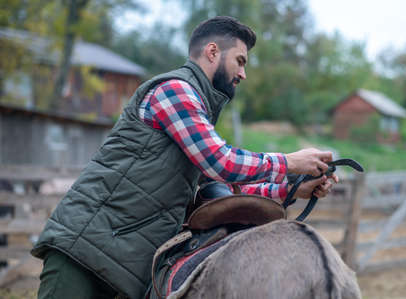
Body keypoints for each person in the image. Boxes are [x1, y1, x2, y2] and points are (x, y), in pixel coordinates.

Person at [32, 16, 338, 299]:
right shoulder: (175, 91)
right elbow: (221, 163)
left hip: (120, 261)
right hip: (84, 251)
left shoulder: (196, 111)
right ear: (213, 51)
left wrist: (292, 189)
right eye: (240, 61)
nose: (243, 73)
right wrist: (289, 163)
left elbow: (221, 184)